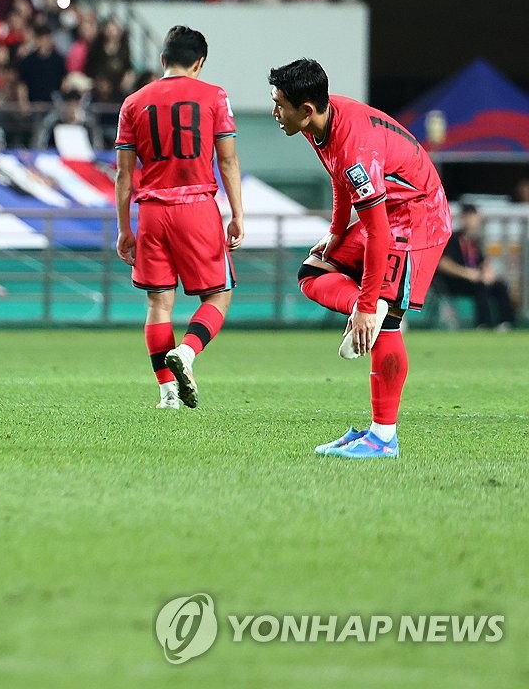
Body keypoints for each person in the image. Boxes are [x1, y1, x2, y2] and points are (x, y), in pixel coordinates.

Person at [269, 58, 452, 459]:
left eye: (279, 104)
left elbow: (379, 233)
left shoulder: (355, 149)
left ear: (306, 109)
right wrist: (336, 232)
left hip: (416, 217)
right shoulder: (318, 121)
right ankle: (364, 307)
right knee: (312, 272)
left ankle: (383, 438)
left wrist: (369, 305)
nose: (274, 112)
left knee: (384, 322)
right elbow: (338, 179)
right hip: (389, 213)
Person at [114, 25, 245, 410]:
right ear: (199, 63)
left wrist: (125, 229)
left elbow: (124, 174)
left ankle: (167, 394)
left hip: (152, 212)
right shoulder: (214, 96)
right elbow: (228, 159)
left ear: (162, 60)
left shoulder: (133, 102)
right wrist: (237, 214)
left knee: (158, 304)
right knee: (219, 296)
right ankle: (187, 353)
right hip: (197, 208)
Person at [435, 204, 516, 330]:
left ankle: (506, 323)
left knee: (500, 286)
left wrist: (488, 273)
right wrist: (467, 274)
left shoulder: (474, 241)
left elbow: (483, 262)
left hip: (475, 279)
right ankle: (484, 324)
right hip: (454, 282)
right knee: (481, 286)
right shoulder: (452, 238)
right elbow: (443, 264)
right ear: (463, 218)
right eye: (470, 218)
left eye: (475, 218)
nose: (473, 221)